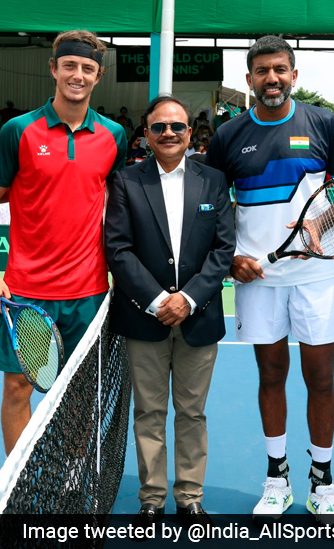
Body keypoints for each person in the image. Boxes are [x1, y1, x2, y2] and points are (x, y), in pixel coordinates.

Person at [206, 35, 334, 529]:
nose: (272, 78)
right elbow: (211, 207)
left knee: (321, 379)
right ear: (249, 79)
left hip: (315, 274)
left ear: (294, 74)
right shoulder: (228, 135)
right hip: (258, 279)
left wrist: (320, 222)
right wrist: (231, 258)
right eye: (262, 71)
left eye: (280, 69)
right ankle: (277, 479)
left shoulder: (323, 123)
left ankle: (322, 483)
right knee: (270, 377)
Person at [0, 30, 127, 456]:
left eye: (88, 68)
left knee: (80, 392)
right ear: (54, 69)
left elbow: (118, 207)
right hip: (25, 290)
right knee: (17, 388)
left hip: (88, 290)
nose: (78, 75)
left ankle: (73, 476)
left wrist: (122, 270)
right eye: (70, 66)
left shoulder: (114, 135)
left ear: (98, 76)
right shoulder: (18, 130)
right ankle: (18, 482)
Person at [105, 94, 235, 531]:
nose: (168, 133)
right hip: (145, 317)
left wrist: (189, 298)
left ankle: (190, 498)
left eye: (177, 126)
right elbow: (118, 249)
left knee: (193, 414)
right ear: (146, 134)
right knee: (149, 413)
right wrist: (159, 300)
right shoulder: (126, 181)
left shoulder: (213, 181)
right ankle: (152, 499)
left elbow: (223, 249)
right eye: (159, 127)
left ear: (190, 133)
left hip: (199, 317)